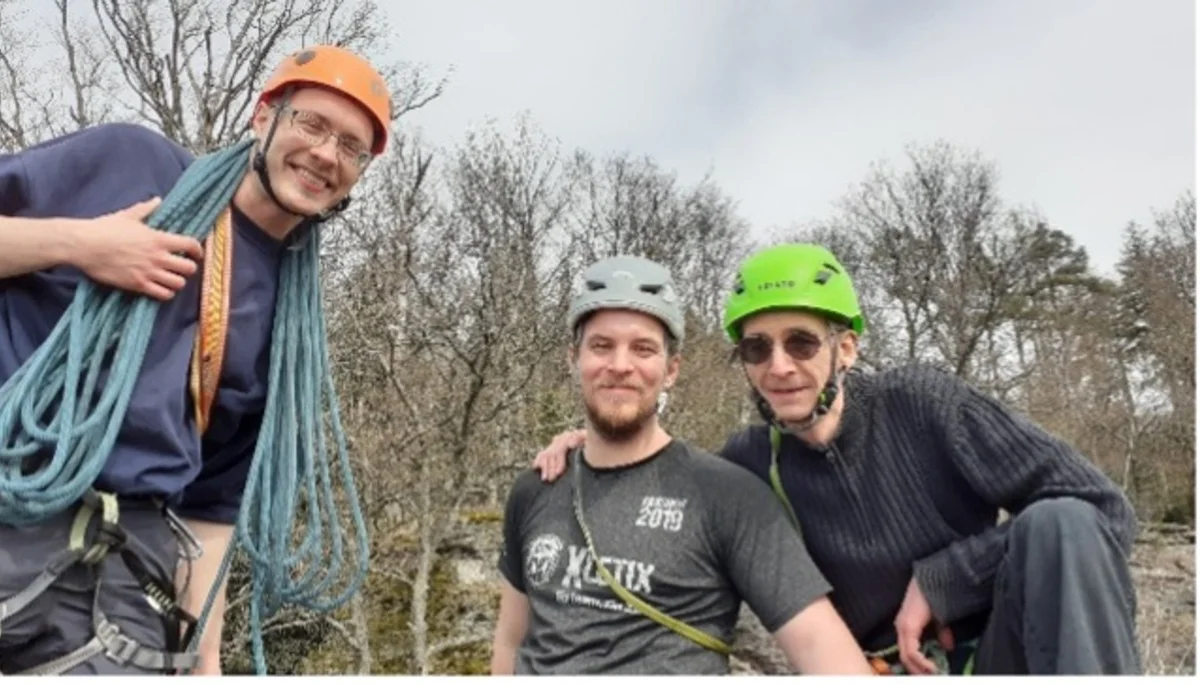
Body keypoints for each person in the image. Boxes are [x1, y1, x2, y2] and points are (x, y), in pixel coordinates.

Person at [532, 243, 1142, 675]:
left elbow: (1103, 509)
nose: (779, 366)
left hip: (1007, 651)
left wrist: (944, 580)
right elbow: (659, 475)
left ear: (845, 347)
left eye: (801, 341)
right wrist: (594, 443)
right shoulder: (745, 463)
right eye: (756, 347)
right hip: (875, 670)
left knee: (1060, 522)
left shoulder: (926, 405)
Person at [0, 45, 390, 674]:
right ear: (263, 118)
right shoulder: (133, 163)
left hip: (129, 569)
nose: (326, 154)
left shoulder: (290, 329)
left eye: (352, 147)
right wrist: (81, 244)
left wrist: (205, 657)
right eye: (311, 124)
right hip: (13, 500)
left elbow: (214, 505)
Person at [490, 254, 875, 676]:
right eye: (601, 345)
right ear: (573, 358)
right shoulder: (537, 487)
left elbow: (822, 648)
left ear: (671, 369)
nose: (620, 365)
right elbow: (511, 640)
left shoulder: (728, 496)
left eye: (643, 348)